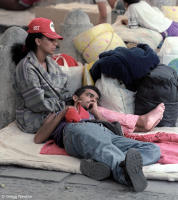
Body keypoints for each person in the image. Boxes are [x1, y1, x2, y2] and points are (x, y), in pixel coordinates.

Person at [34, 85, 163, 192]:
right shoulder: (58, 113)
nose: (93, 100)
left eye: (96, 99)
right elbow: (38, 138)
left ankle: (104, 165)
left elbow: (112, 129)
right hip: (76, 129)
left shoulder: (95, 114)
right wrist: (64, 112)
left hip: (107, 133)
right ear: (75, 97)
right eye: (90, 95)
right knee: (104, 147)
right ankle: (125, 176)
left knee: (152, 149)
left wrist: (96, 112)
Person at [11, 17, 72, 133]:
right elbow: (37, 103)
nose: (56, 44)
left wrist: (73, 100)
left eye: (55, 40)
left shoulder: (51, 63)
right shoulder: (26, 67)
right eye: (51, 39)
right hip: (33, 119)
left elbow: (64, 88)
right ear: (38, 41)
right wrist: (65, 105)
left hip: (55, 112)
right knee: (76, 129)